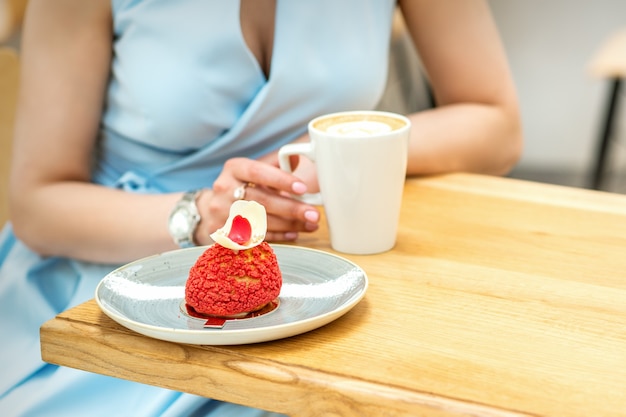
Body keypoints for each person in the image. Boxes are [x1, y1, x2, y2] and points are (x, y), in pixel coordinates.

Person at [0, 0, 522, 415]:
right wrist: (198, 214)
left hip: (328, 274)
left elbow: (496, 123)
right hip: (109, 276)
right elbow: (36, 204)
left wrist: (327, 151)